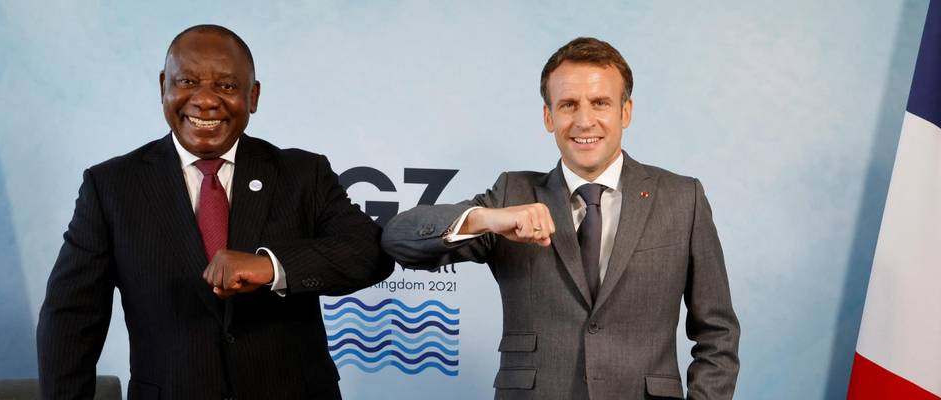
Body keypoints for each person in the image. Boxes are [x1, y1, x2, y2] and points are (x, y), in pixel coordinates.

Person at [36, 24, 393, 399]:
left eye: (226, 86)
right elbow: (70, 321)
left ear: (252, 96)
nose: (205, 100)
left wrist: (272, 267)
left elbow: (369, 251)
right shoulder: (110, 186)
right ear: (163, 87)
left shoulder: (304, 174)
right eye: (187, 81)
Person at [382, 37, 740, 399]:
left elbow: (718, 333)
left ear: (625, 112)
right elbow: (398, 240)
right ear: (548, 117)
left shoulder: (682, 198)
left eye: (600, 103)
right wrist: (488, 219)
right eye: (568, 105)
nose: (584, 121)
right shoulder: (512, 194)